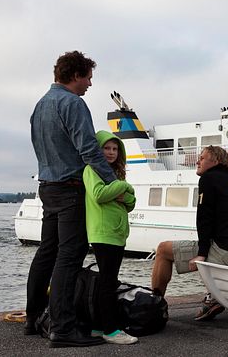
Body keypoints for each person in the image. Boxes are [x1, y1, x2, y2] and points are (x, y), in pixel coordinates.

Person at [25, 51, 116, 348]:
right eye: (88, 77)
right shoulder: (73, 103)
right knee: (70, 255)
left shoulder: (40, 106)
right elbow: (89, 149)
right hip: (70, 188)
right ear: (75, 75)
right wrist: (114, 182)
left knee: (46, 253)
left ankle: (34, 318)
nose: (90, 83)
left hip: (47, 187)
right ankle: (63, 329)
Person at [150, 145, 228, 320]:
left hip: (226, 253)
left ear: (215, 161)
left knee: (162, 250)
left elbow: (204, 218)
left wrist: (202, 254)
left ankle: (154, 304)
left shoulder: (209, 178)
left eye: (202, 158)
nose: (197, 161)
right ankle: (213, 296)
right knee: (214, 240)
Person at [84, 131, 137, 345]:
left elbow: (131, 203)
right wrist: (125, 187)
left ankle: (98, 326)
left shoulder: (114, 174)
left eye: (115, 149)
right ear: (98, 149)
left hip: (116, 234)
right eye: (107, 148)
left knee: (107, 280)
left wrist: (124, 193)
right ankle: (111, 329)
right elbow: (99, 194)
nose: (111, 152)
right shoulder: (92, 170)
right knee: (108, 282)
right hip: (104, 232)